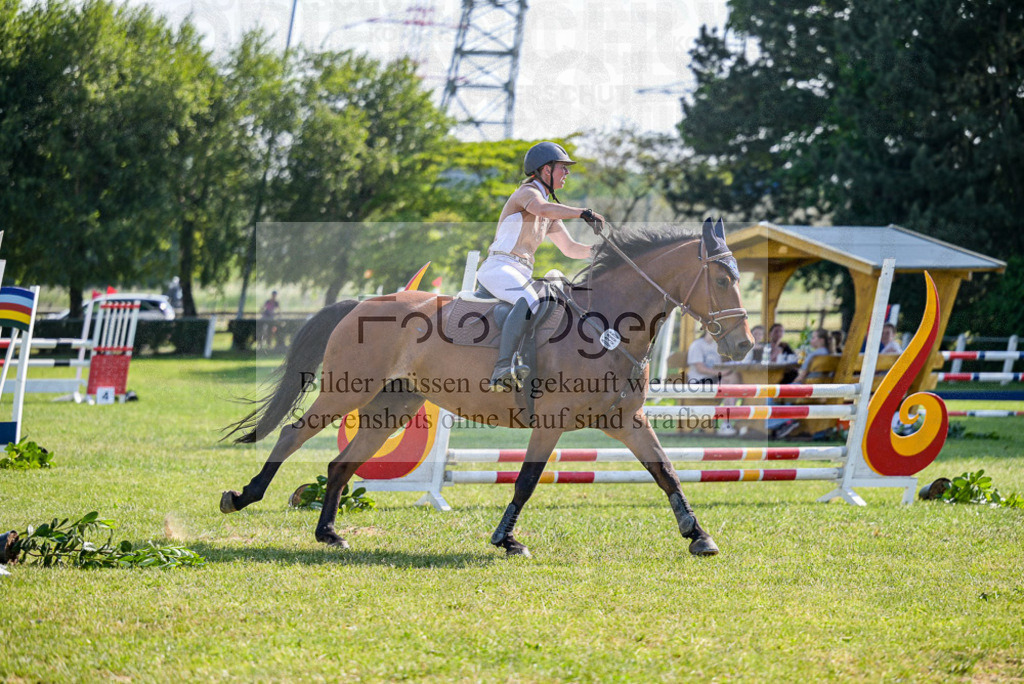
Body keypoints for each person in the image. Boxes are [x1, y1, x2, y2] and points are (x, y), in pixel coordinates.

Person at [476, 142, 604, 391]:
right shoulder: (527, 194)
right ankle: (502, 366)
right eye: (563, 169)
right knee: (530, 298)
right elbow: (542, 208)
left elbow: (570, 248)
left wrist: (603, 253)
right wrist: (582, 212)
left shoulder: (547, 209)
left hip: (518, 271)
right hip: (499, 267)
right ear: (547, 169)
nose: (566, 173)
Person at [687, 330, 740, 435]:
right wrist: (721, 373)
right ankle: (727, 423)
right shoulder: (697, 345)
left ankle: (727, 423)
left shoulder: (716, 346)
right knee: (728, 385)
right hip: (699, 381)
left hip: (713, 379)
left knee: (733, 378)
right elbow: (700, 369)